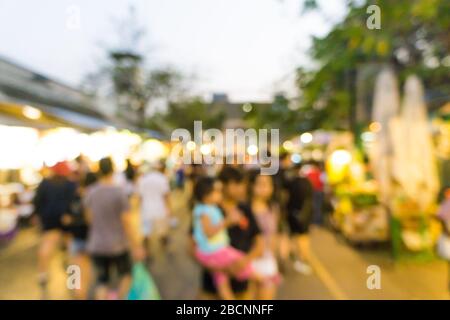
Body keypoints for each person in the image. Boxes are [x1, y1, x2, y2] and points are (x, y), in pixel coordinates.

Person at [195, 166, 264, 300]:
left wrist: (244, 262)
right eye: (237, 184)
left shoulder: (244, 208)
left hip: (242, 286)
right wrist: (221, 268)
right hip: (211, 287)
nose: (242, 189)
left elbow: (259, 242)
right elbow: (193, 247)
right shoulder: (209, 209)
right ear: (224, 185)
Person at [84, 157, 145, 300]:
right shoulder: (119, 192)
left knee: (102, 282)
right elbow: (127, 223)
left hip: (97, 244)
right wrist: (136, 245)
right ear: (112, 170)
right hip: (118, 245)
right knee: (126, 276)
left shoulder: (91, 192)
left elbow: (89, 219)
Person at [33, 161, 77, 299]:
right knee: (72, 249)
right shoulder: (70, 184)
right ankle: (73, 280)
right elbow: (75, 201)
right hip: (66, 220)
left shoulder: (45, 184)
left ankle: (42, 274)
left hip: (49, 219)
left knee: (46, 246)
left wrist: (38, 216)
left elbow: (37, 202)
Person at [61, 171, 97, 300]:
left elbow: (65, 219)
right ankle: (81, 293)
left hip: (77, 237)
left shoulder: (73, 199)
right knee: (83, 267)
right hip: (87, 237)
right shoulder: (92, 199)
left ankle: (77, 293)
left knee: (75, 267)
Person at [247, 170, 280, 300]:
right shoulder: (245, 209)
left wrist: (275, 257)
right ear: (251, 186)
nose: (264, 188)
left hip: (267, 262)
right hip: (248, 261)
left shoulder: (273, 208)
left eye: (267, 184)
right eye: (260, 184)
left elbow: (274, 234)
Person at [137, 161, 172, 260]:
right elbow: (166, 195)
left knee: (146, 233)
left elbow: (140, 197)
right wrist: (169, 209)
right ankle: (165, 250)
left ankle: (146, 253)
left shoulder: (142, 179)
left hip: (146, 209)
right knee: (163, 232)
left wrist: (140, 208)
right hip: (160, 209)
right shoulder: (161, 178)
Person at [286, 165, 314, 275]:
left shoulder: (291, 182)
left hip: (292, 212)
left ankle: (294, 254)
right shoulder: (307, 183)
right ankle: (303, 257)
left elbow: (287, 197)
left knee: (293, 235)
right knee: (304, 236)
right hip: (305, 214)